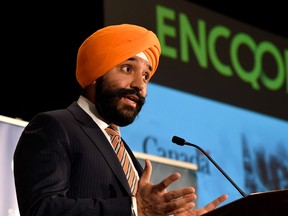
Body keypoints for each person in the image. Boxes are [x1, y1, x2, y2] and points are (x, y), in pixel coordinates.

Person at [13, 23, 228, 216]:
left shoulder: (121, 149)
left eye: (146, 76)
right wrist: (134, 209)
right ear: (96, 73)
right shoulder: (55, 126)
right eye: (127, 68)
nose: (140, 85)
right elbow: (41, 209)